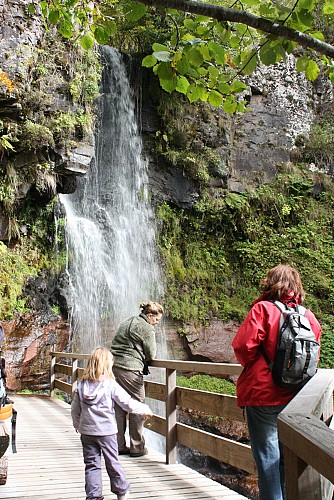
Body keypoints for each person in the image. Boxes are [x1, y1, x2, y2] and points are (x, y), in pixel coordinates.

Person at [232, 264, 321, 500]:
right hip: (296, 398)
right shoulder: (308, 316)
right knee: (288, 460)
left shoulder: (263, 309)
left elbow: (242, 347)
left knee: (268, 461)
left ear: (270, 283)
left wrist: (260, 366)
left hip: (263, 396)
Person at [71, 347, 153, 500]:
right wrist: (144, 409)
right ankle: (121, 491)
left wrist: (77, 424)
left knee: (91, 464)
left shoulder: (80, 386)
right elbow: (126, 403)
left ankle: (93, 496)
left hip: (87, 432)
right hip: (107, 432)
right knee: (112, 462)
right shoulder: (110, 385)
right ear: (107, 365)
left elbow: (75, 409)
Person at [111, 301, 163, 457]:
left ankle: (118, 445)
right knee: (137, 405)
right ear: (149, 316)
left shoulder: (128, 321)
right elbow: (151, 355)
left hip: (114, 367)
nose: (157, 323)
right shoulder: (147, 328)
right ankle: (137, 447)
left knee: (119, 406)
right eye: (156, 320)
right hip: (131, 369)